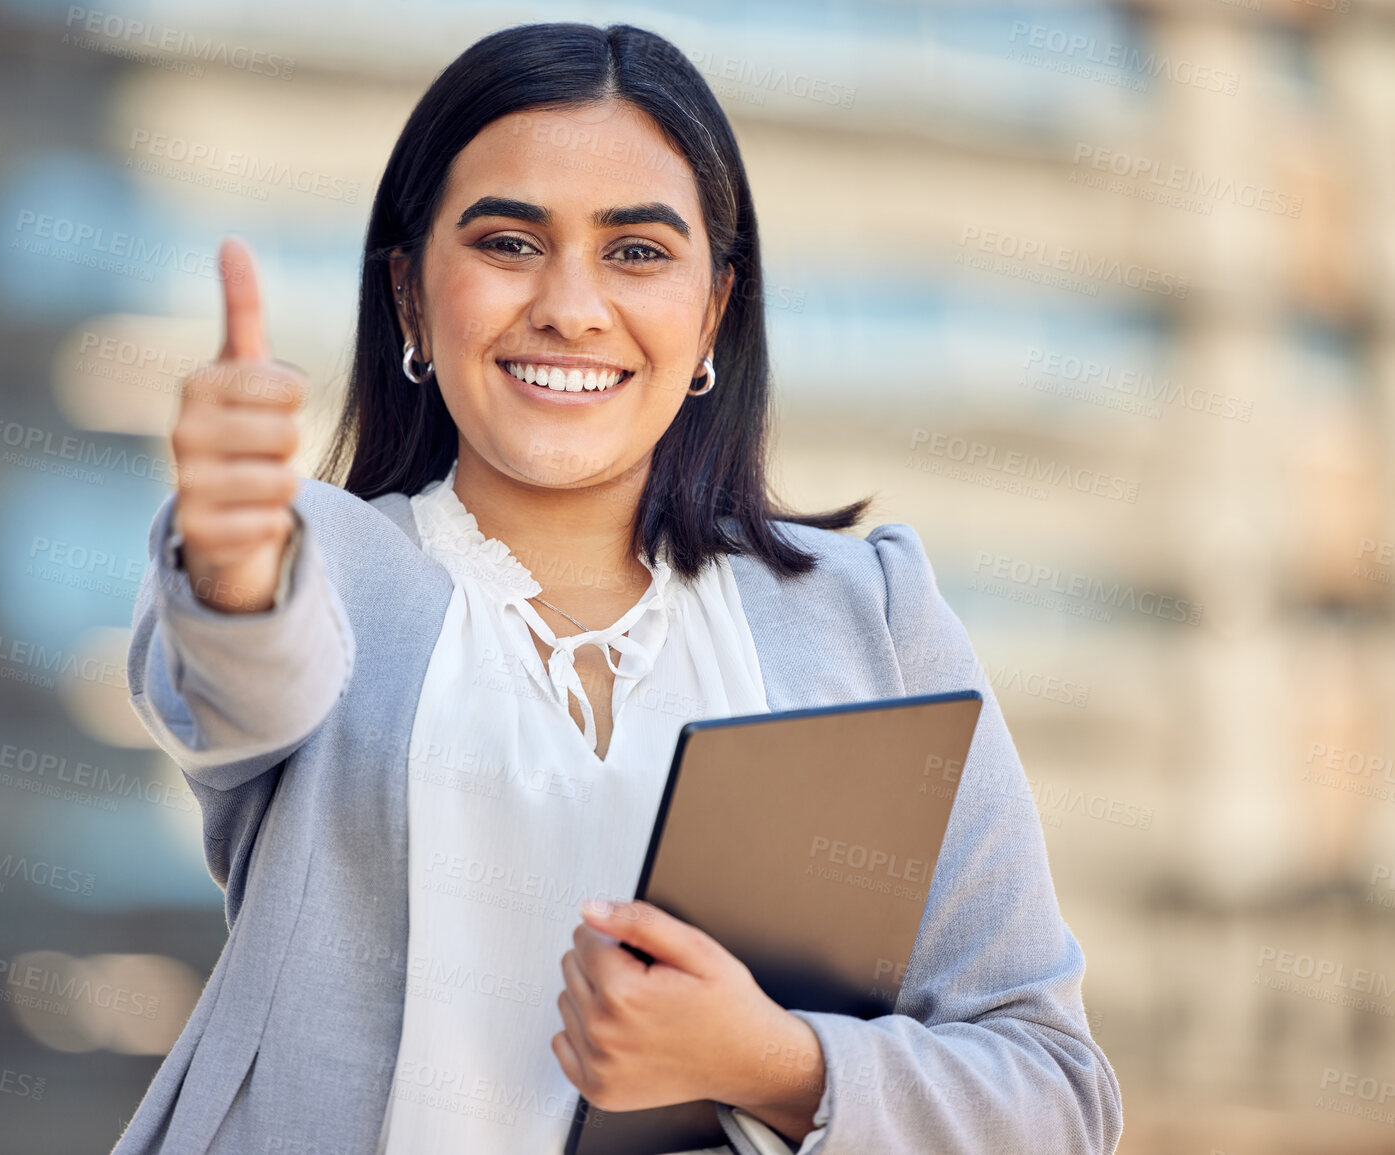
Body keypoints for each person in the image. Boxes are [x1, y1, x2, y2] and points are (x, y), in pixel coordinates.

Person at [114, 21, 1122, 1155]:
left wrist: (771, 1065)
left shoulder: (870, 617)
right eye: (508, 242)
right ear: (407, 295)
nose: (571, 306)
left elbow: (1054, 1097)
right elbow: (241, 671)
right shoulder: (324, 574)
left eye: (637, 253)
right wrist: (240, 559)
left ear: (714, 312)